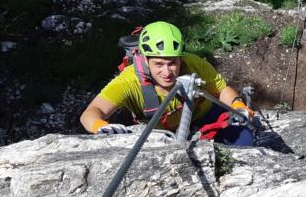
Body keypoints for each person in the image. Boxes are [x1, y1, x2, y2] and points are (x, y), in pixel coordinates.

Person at [79, 21, 255, 146]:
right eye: (158, 64)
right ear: (146, 60)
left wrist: (238, 104)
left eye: (172, 63)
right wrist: (101, 127)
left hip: (203, 114)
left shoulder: (194, 64)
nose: (167, 72)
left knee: (244, 141)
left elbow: (221, 90)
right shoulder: (129, 81)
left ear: (180, 59)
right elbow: (91, 113)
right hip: (160, 132)